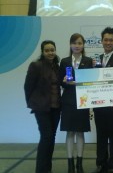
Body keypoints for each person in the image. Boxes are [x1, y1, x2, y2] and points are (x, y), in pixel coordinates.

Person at [92, 27, 113, 173]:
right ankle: (101, 163)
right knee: (100, 136)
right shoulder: (95, 60)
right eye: (105, 40)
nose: (108, 42)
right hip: (99, 106)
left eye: (111, 40)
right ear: (101, 41)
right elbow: (92, 83)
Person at [24, 40, 61, 173]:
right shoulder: (36, 65)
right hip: (42, 108)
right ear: (42, 52)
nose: (50, 52)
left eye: (52, 50)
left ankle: (47, 168)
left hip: (56, 107)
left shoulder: (57, 66)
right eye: (47, 50)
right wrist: (32, 102)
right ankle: (41, 170)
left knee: (51, 137)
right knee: (46, 137)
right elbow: (28, 87)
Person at [59, 33, 93, 173]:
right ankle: (70, 163)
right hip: (68, 100)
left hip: (83, 100)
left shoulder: (88, 61)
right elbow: (61, 83)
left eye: (79, 43)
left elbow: (91, 82)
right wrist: (64, 82)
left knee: (80, 132)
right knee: (69, 133)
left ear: (83, 45)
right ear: (70, 44)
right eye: (74, 43)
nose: (77, 46)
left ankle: (79, 163)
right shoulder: (64, 61)